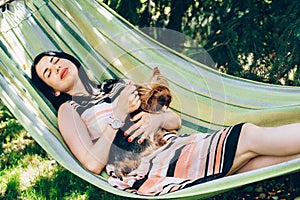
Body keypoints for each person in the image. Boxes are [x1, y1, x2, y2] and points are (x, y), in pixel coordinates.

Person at [31, 51, 300, 195]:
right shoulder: (69, 109)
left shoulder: (116, 85)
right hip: (149, 166)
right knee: (248, 136)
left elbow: (176, 120)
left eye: (56, 60)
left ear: (69, 59)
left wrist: (155, 117)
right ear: (53, 90)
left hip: (175, 144)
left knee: (250, 161)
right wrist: (117, 115)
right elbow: (91, 163)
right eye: (49, 72)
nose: (56, 67)